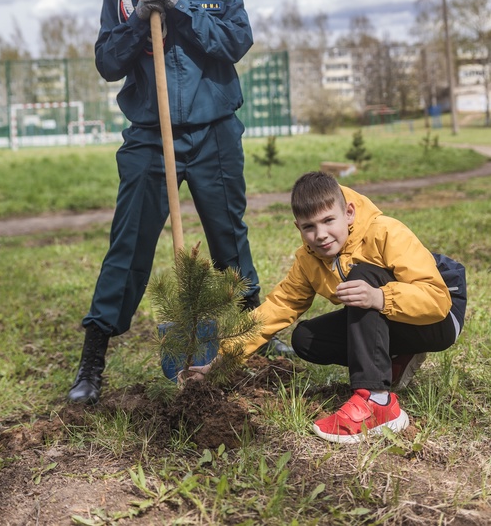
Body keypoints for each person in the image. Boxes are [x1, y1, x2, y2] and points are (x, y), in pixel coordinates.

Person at [68, 0, 292, 405]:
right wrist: (137, 17)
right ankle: (92, 362)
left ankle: (255, 337)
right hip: (150, 136)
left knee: (229, 237)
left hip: (213, 131)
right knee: (128, 246)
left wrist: (181, 8)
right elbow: (107, 63)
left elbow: (236, 43)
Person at [187, 171, 467, 444]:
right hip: (395, 315)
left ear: (349, 213)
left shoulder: (385, 232)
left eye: (328, 220)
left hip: (440, 317)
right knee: (306, 339)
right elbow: (278, 307)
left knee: (362, 278)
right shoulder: (309, 259)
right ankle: (395, 356)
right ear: (298, 227)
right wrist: (222, 358)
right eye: (309, 227)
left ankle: (378, 402)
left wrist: (378, 297)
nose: (320, 235)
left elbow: (436, 300)